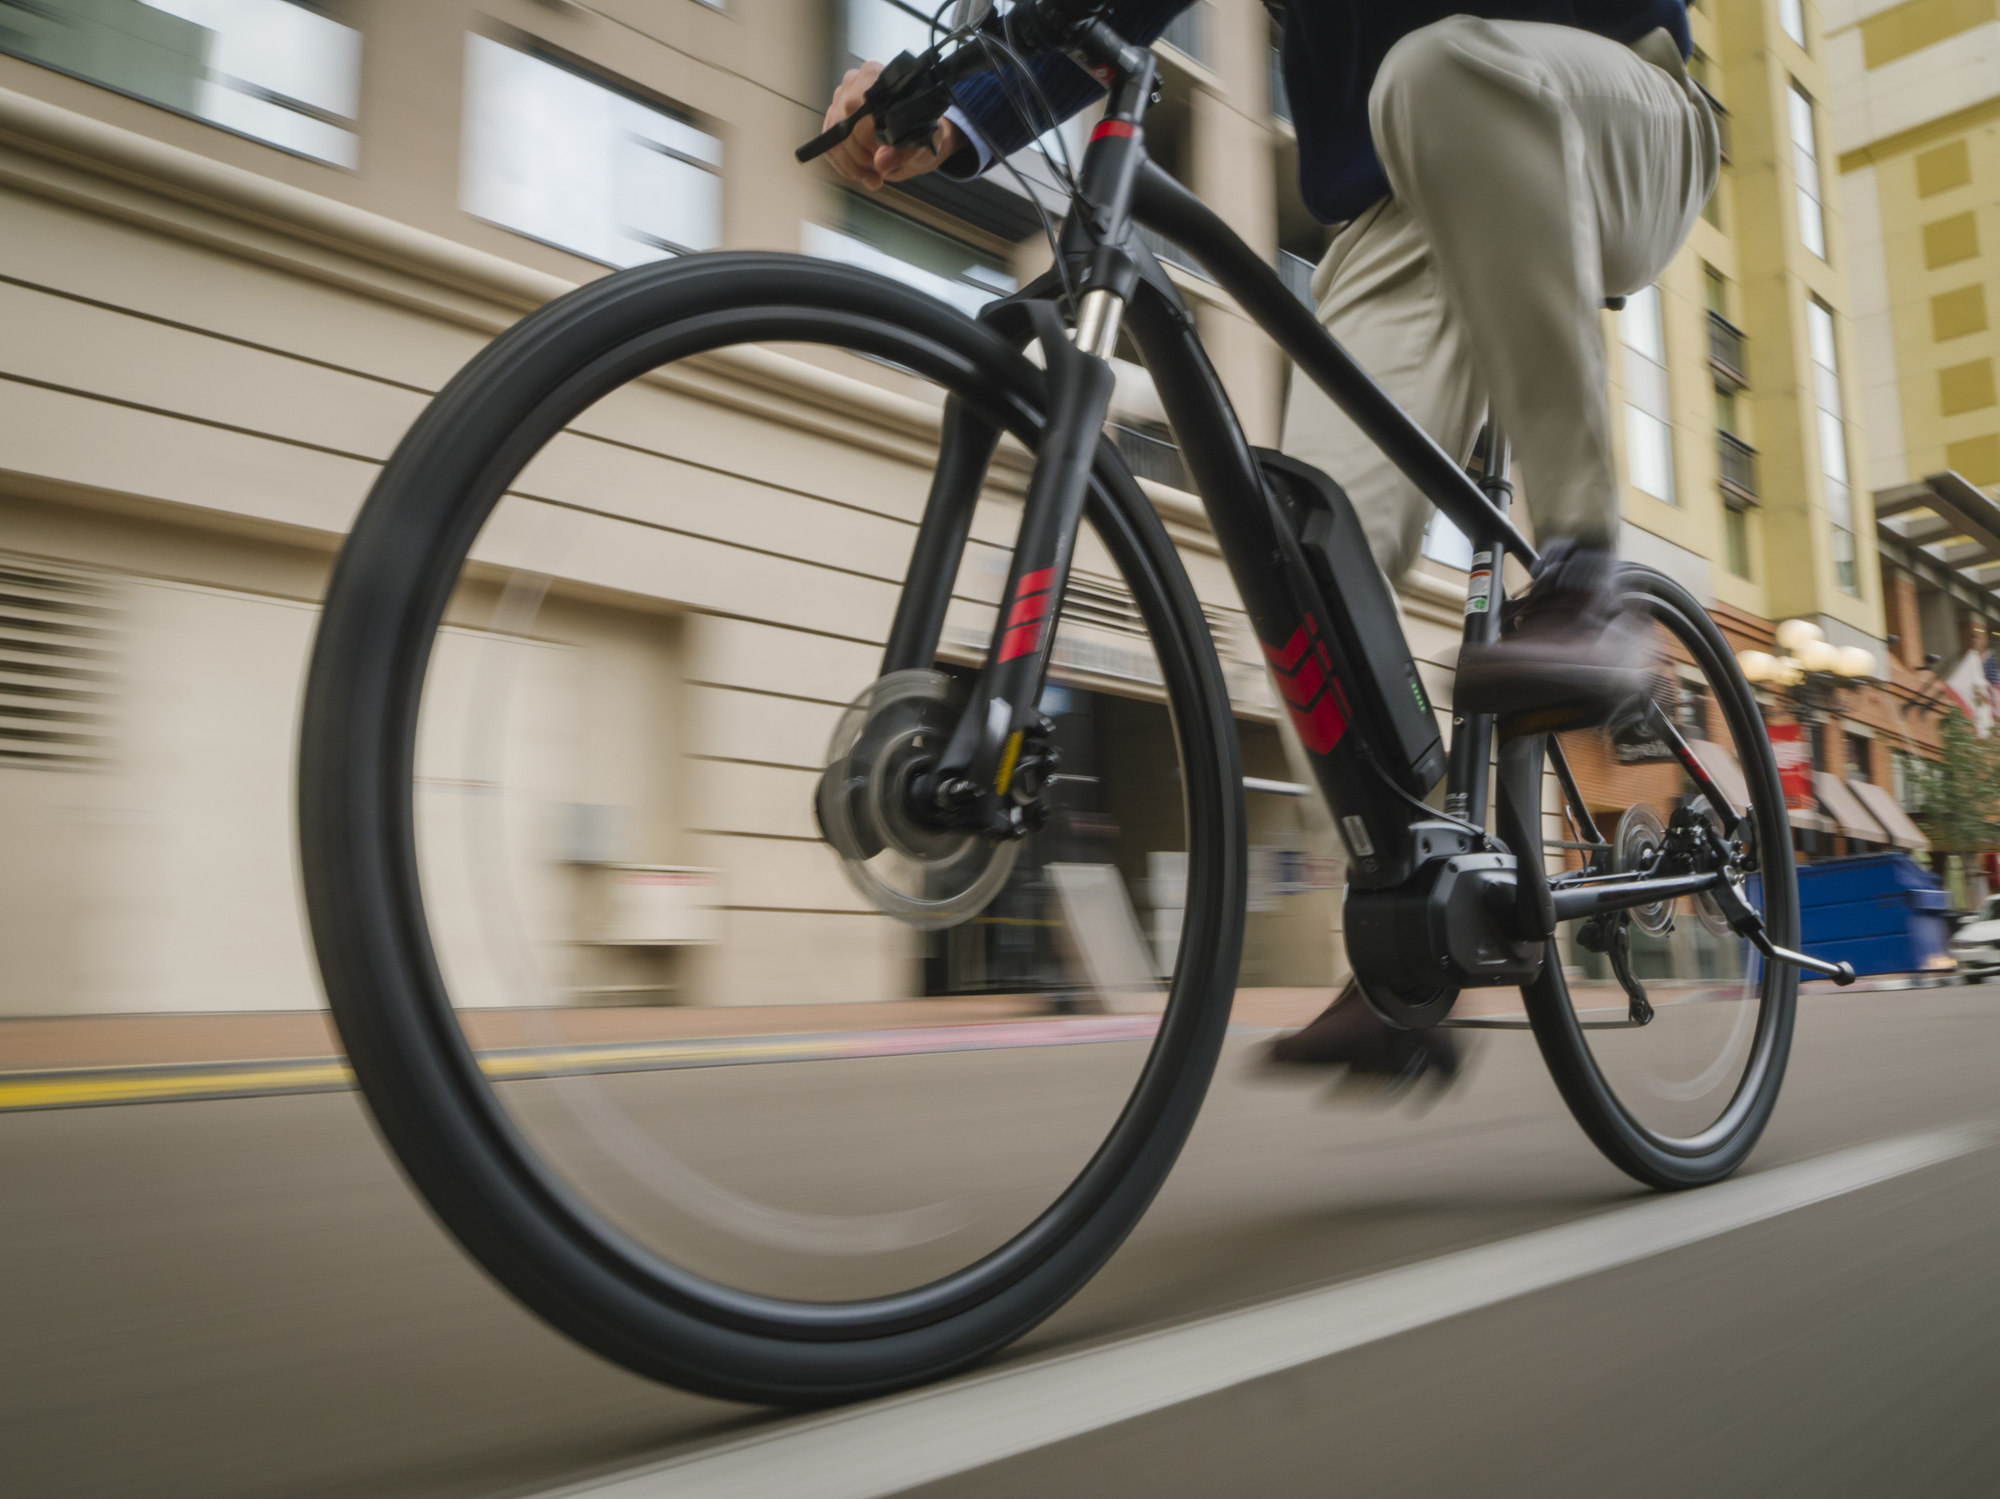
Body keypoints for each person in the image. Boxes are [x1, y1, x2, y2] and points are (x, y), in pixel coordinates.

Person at [821, 1, 1717, 1088]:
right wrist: (950, 112)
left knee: (1437, 69)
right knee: (1309, 571)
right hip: (1395, 206)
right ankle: (1412, 929)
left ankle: (1584, 573)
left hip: (1607, 105)